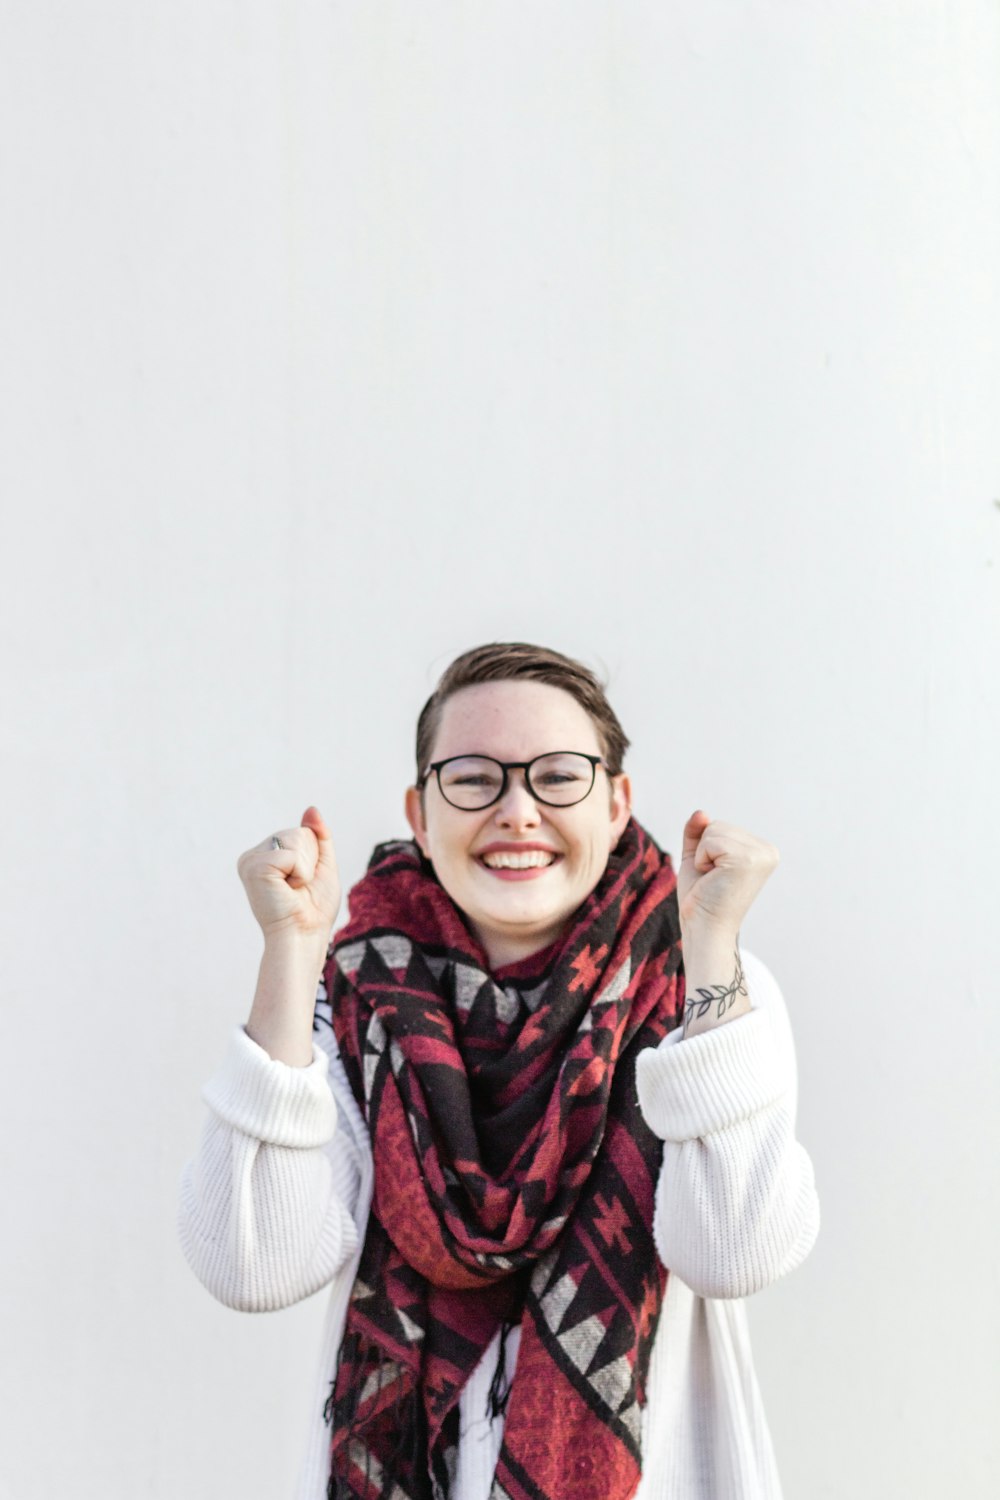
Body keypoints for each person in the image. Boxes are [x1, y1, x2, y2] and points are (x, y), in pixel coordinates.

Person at [178, 641, 820, 1500]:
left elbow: (734, 1250)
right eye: (474, 777)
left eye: (559, 775)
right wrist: (294, 951)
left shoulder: (708, 987)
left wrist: (708, 942)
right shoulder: (354, 995)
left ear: (618, 802)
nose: (517, 811)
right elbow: (252, 1265)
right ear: (420, 811)